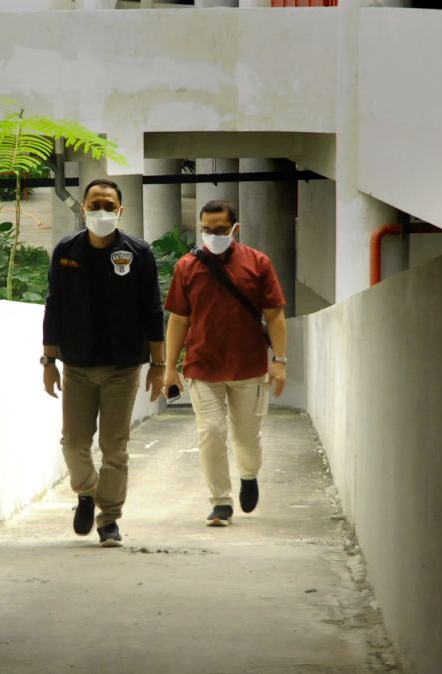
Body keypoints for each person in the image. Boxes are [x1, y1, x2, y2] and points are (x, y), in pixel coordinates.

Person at [41, 178, 166, 547]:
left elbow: (153, 310)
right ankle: (86, 493)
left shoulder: (137, 252)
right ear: (83, 207)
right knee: (74, 444)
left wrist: (158, 366)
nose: (101, 211)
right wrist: (48, 361)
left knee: (115, 447)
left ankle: (109, 519)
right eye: (95, 204)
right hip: (76, 367)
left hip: (122, 368)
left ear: (120, 211)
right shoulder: (67, 252)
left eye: (109, 206)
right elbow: (54, 308)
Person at [161, 200, 287, 527]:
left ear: (235, 229)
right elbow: (178, 320)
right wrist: (169, 367)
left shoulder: (258, 264)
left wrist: (280, 361)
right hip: (202, 366)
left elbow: (274, 315)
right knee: (212, 433)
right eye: (207, 230)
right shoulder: (188, 267)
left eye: (220, 230)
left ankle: (248, 475)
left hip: (249, 368)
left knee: (247, 437)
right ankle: (220, 502)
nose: (213, 235)